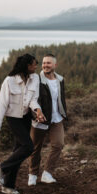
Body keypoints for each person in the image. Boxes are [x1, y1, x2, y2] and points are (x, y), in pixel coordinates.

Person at [0, 53, 45, 194]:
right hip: (13, 118)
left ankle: (8, 186)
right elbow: (1, 105)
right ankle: (1, 167)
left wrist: (38, 110)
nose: (36, 66)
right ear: (27, 66)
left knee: (18, 151)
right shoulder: (9, 81)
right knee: (28, 147)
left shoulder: (35, 78)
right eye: (34, 64)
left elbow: (34, 99)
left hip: (26, 117)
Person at [28, 53, 67, 186]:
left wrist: (63, 113)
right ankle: (32, 174)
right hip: (40, 120)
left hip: (57, 119)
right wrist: (36, 115)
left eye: (48, 63)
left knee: (58, 144)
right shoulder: (36, 80)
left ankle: (47, 173)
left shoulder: (60, 80)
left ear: (55, 65)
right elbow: (31, 100)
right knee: (35, 148)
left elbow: (61, 99)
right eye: (44, 63)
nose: (45, 65)